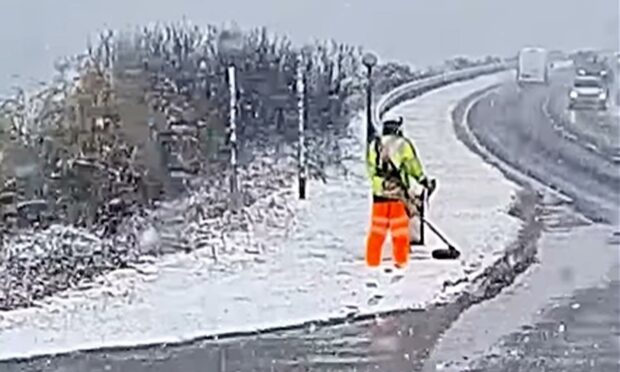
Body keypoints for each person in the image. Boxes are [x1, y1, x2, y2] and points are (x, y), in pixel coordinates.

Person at [365, 116, 436, 268]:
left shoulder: (374, 145)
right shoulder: (402, 144)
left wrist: (381, 184)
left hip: (380, 193)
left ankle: (372, 262)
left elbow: (371, 170)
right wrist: (422, 180)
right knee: (399, 230)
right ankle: (401, 262)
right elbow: (413, 166)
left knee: (377, 230)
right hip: (397, 193)